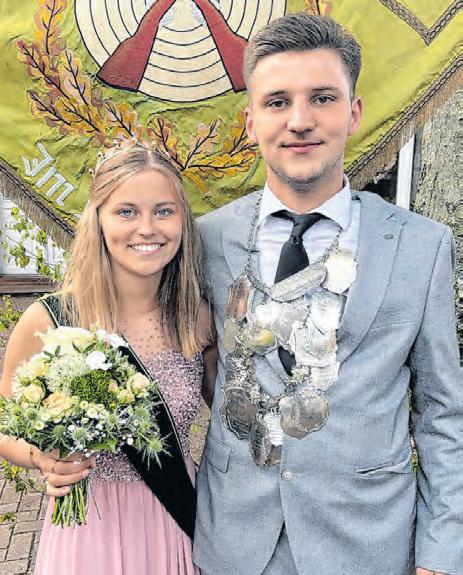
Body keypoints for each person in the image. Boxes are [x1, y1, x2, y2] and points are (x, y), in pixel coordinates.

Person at [193, 12, 462, 575]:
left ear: (353, 112)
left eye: (322, 98)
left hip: (368, 545)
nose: (300, 121)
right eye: (277, 102)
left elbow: (443, 413)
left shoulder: (422, 247)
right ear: (250, 122)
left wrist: (441, 552)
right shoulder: (206, 240)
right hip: (236, 543)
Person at [0, 141, 217, 575]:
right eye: (126, 211)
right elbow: (4, 426)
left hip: (173, 516)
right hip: (87, 530)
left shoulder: (197, 317)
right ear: (98, 220)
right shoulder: (49, 320)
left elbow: (234, 416)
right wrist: (43, 459)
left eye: (164, 210)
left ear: (183, 221)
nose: (147, 228)